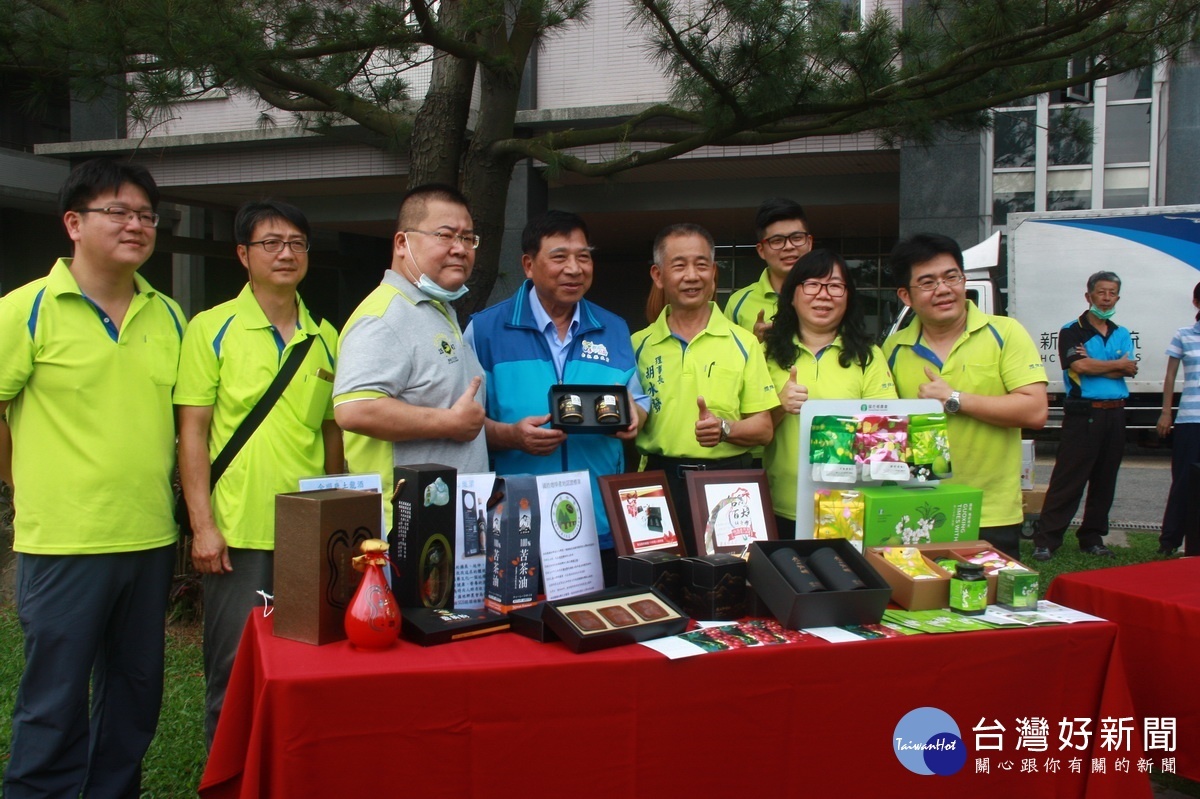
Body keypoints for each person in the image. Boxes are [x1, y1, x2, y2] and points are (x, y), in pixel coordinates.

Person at [0, 159, 185, 798]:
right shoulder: (24, 311)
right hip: (64, 543)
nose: (136, 225)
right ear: (74, 223)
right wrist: (23, 479)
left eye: (146, 215)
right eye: (119, 212)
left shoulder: (169, 316)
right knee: (52, 702)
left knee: (134, 700)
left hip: (149, 538)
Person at [175, 199, 343, 747]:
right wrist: (203, 526)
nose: (286, 253)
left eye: (297, 243)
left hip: (308, 533)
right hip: (238, 530)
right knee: (234, 669)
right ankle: (228, 777)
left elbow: (330, 433)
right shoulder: (210, 328)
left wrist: (335, 517)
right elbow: (193, 431)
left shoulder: (326, 337)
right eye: (271, 243)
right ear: (243, 254)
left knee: (307, 662)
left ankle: (289, 770)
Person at [465, 211, 646, 579]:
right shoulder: (485, 330)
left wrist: (634, 418)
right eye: (560, 256)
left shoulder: (613, 328)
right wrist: (510, 435)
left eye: (584, 256)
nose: (575, 268)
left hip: (599, 522)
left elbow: (637, 400)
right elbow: (462, 422)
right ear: (529, 265)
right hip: (516, 522)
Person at [883, 233, 1048, 561]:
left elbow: (1035, 410)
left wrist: (954, 398)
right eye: (927, 282)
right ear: (906, 295)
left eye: (951, 277)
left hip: (991, 511)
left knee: (987, 606)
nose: (943, 289)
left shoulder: (1006, 333)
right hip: (915, 507)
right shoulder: (892, 349)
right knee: (920, 605)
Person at [334, 183, 488, 527]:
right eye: (446, 235)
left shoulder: (438, 310)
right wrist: (450, 424)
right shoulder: (384, 316)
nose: (460, 249)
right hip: (403, 528)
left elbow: (454, 412)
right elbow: (354, 408)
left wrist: (511, 434)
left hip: (451, 524)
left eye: (468, 238)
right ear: (402, 243)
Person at [633, 223, 779, 552]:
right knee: (659, 586)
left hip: (726, 482)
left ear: (713, 273)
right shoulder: (637, 346)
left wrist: (725, 429)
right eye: (679, 265)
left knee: (724, 589)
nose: (692, 275)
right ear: (658, 275)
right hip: (658, 483)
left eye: (701, 265)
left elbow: (764, 429)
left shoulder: (744, 343)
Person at [762, 249, 897, 538]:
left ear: (848, 297)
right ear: (792, 295)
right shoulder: (766, 355)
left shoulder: (868, 356)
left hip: (849, 507)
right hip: (779, 506)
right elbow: (750, 435)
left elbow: (887, 438)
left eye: (835, 286)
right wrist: (780, 407)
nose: (823, 295)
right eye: (812, 284)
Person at [1032, 272, 1136, 561]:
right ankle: (1046, 540)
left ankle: (1092, 537)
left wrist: (1095, 363)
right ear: (1088, 296)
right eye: (1101, 292)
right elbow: (1079, 367)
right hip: (1083, 413)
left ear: (1117, 297)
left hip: (1115, 414)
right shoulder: (1072, 330)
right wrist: (1112, 365)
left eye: (1112, 293)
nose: (1106, 298)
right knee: (1069, 478)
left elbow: (1130, 368)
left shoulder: (1122, 332)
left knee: (1105, 479)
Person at [725, 198, 813, 341]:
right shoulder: (738, 303)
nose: (789, 246)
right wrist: (755, 343)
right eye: (777, 241)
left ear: (809, 243)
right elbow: (727, 358)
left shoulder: (828, 297)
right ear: (761, 250)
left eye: (797, 238)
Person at [1156, 281, 1200, 556]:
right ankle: (1169, 540)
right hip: (1190, 421)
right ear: (1196, 303)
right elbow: (1170, 376)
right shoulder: (1184, 335)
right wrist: (1165, 412)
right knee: (1184, 481)